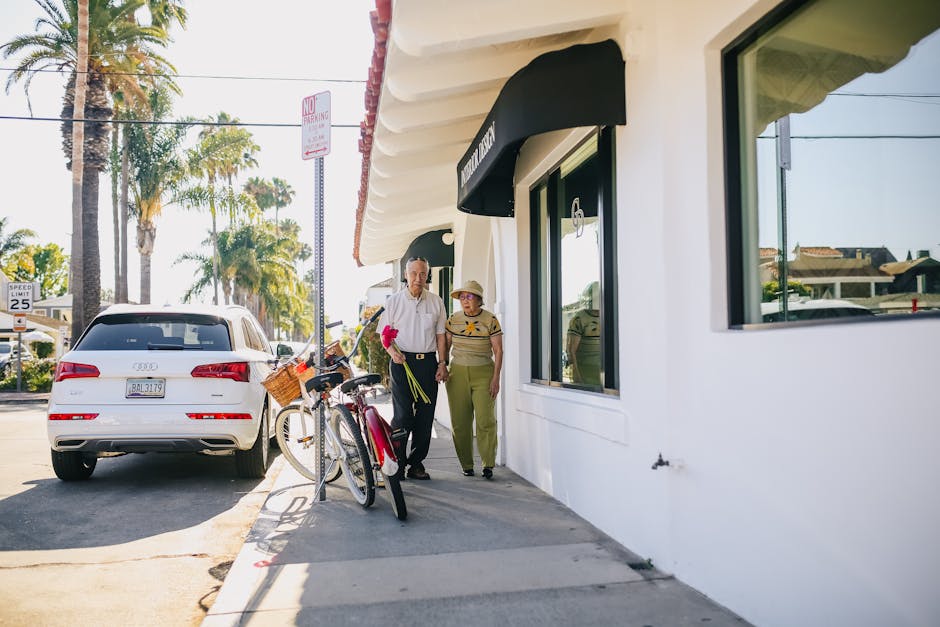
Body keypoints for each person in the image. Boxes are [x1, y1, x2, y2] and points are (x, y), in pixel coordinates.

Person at [377, 256, 448, 480]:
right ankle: (397, 462)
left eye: (423, 273)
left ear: (428, 275)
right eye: (414, 273)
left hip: (427, 363)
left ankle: (416, 464)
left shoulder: (436, 302)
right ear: (406, 275)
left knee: (425, 417)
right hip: (401, 363)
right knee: (402, 416)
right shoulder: (394, 302)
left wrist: (442, 363)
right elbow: (384, 334)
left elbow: (441, 336)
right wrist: (392, 353)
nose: (419, 278)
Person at [444, 279, 503, 480]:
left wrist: (496, 378)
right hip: (457, 373)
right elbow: (447, 345)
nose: (465, 300)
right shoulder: (453, 319)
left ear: (479, 299)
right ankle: (466, 464)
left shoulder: (490, 319)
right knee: (460, 422)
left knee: (486, 419)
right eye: (462, 297)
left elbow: (498, 350)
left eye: (469, 296)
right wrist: (442, 364)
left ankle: (488, 464)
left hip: (484, 372)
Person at [566, 281, 601, 385]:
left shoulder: (609, 315)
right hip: (586, 376)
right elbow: (571, 350)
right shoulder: (578, 319)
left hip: (604, 376)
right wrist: (576, 377)